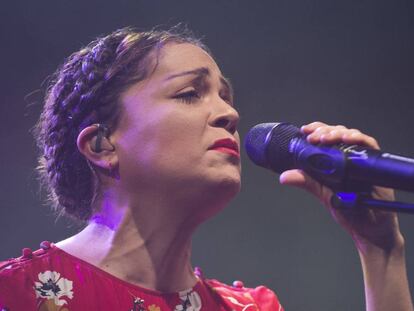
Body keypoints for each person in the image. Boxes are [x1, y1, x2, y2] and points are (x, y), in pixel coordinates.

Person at [0, 26, 412, 311]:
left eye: (225, 96)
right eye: (189, 93)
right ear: (102, 144)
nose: (230, 113)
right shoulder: (14, 294)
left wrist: (381, 251)